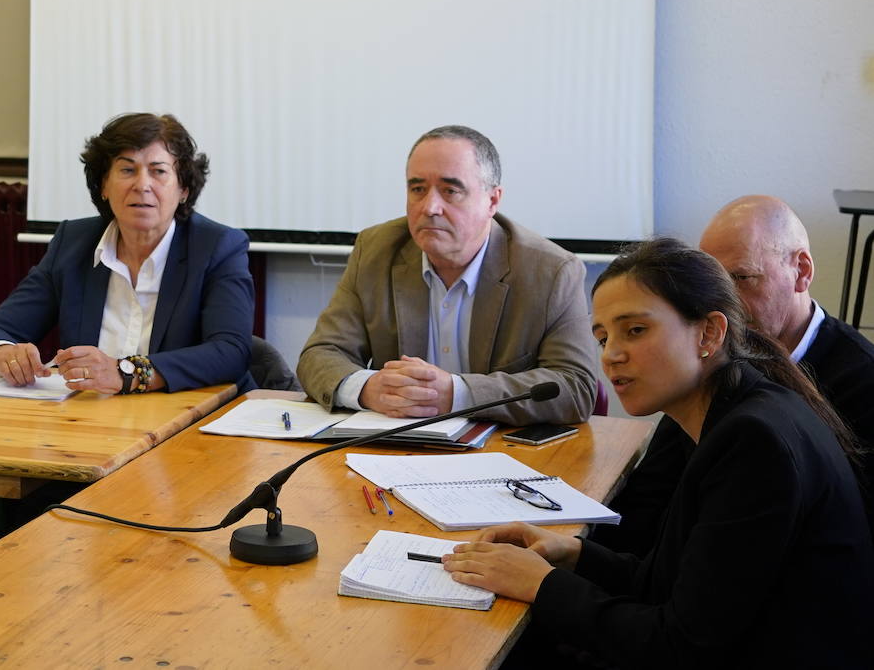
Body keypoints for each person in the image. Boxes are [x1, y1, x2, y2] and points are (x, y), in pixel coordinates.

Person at [442, 238, 873, 668]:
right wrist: (571, 553)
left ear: (709, 332)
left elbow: (680, 645)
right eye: (603, 337)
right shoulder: (731, 411)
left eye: (635, 330)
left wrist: (543, 585)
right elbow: (681, 583)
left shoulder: (753, 441)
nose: (612, 355)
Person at [595, 195, 874, 554]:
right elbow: (645, 506)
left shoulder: (862, 381)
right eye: (711, 282)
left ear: (801, 271)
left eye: (741, 278)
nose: (721, 300)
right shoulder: (705, 371)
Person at [296, 125, 596, 425]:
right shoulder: (375, 251)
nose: (430, 207)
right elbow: (321, 354)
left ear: (492, 200)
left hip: (501, 450)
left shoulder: (551, 271)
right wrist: (367, 389)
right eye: (417, 189)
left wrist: (457, 394)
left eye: (450, 191)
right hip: (392, 446)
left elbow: (575, 386)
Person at [0, 112, 253, 394]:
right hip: (94, 419)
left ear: (183, 190)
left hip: (191, 419)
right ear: (104, 184)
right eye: (127, 170)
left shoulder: (218, 246)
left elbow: (230, 352)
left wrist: (127, 373)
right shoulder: (73, 244)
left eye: (159, 171)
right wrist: (4, 354)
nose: (142, 185)